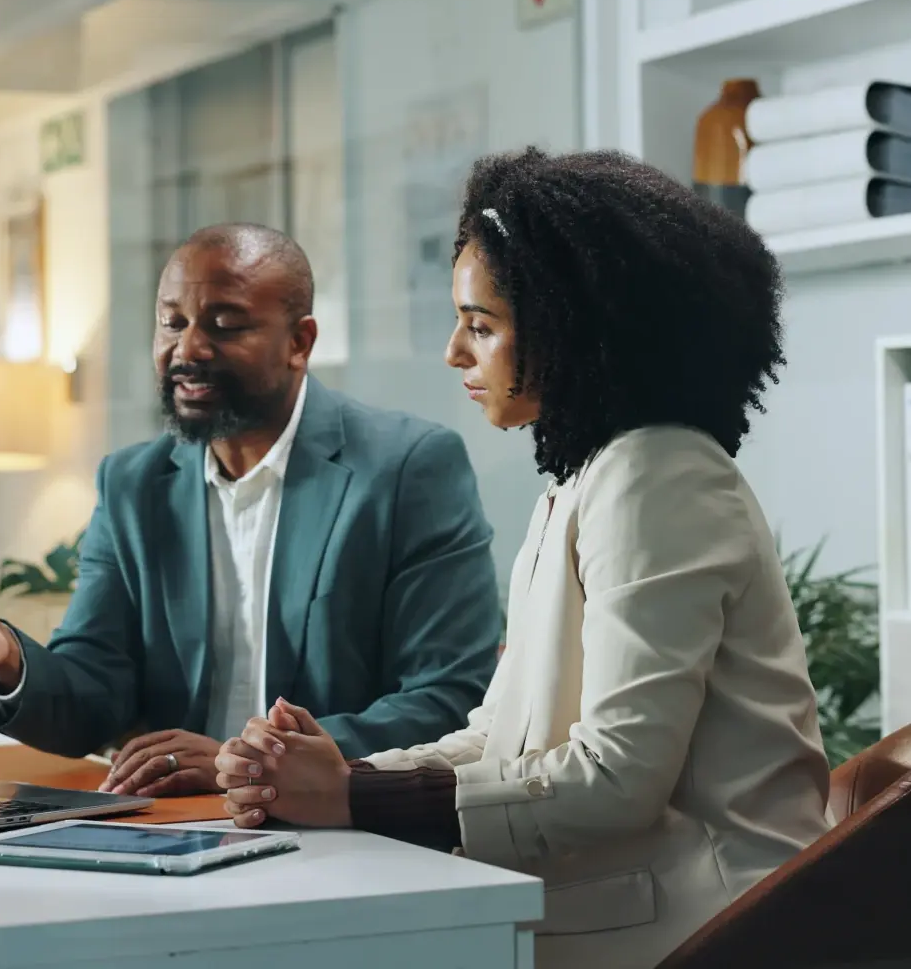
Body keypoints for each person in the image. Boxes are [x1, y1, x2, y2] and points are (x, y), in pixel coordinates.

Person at [214, 150, 833, 969]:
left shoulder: (659, 475)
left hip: (716, 927)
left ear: (570, 329)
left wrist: (354, 796)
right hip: (637, 899)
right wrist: (329, 771)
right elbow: (496, 737)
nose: (454, 354)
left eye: (481, 325)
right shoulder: (588, 478)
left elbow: (615, 780)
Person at [0, 222, 502, 799]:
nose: (189, 348)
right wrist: (6, 654)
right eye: (171, 322)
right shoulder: (134, 483)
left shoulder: (407, 467)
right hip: (175, 828)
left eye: (225, 324)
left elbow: (446, 696)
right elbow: (95, 691)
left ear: (300, 341)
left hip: (347, 824)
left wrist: (250, 759)